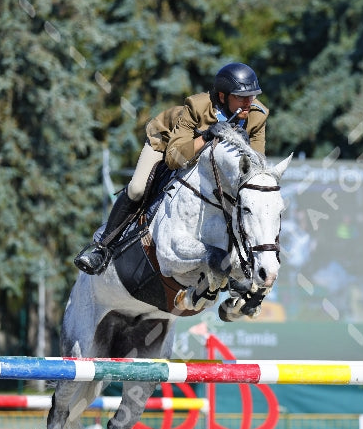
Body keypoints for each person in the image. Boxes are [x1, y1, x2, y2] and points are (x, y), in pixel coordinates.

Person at [74, 62, 269, 275]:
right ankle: (103, 248)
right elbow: (173, 159)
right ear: (222, 97)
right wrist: (205, 136)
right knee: (137, 188)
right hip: (166, 142)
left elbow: (255, 166)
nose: (249, 102)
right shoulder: (197, 107)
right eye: (242, 97)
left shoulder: (257, 115)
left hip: (206, 158)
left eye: (252, 96)